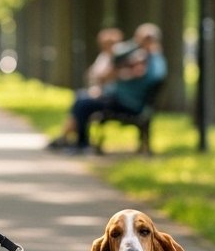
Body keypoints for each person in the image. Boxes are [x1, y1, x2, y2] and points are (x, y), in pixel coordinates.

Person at [48, 23, 166, 155]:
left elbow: (151, 78)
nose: (136, 43)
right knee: (82, 98)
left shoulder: (153, 60)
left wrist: (128, 74)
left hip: (128, 103)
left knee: (83, 103)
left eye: (139, 39)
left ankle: (81, 144)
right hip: (121, 98)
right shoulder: (144, 57)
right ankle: (71, 139)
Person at [48, 27, 124, 144]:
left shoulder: (118, 58)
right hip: (99, 92)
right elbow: (92, 74)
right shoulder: (103, 56)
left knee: (82, 103)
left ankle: (75, 140)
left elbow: (105, 77)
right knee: (79, 99)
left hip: (108, 96)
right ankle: (69, 137)